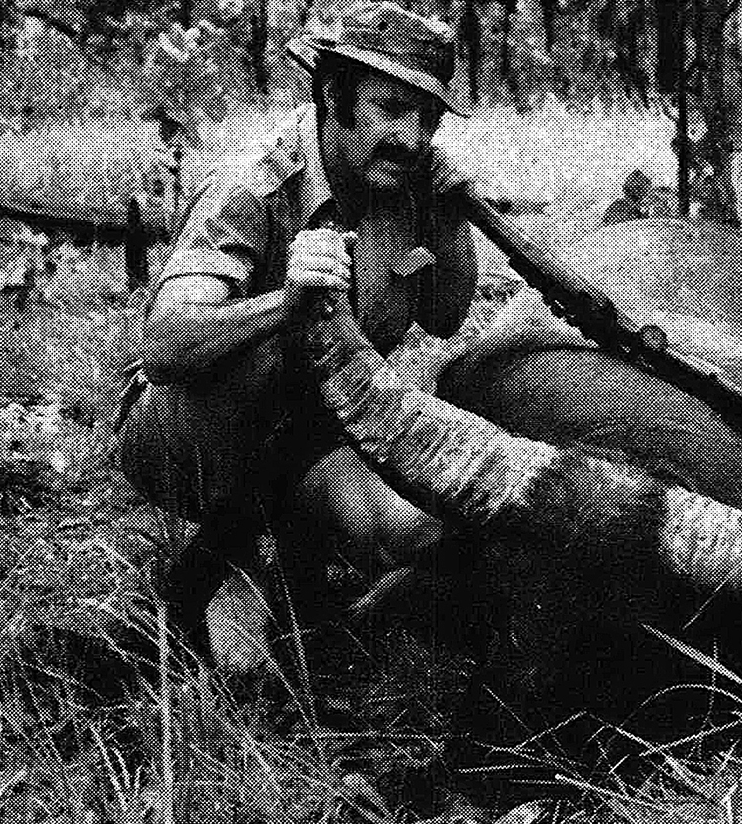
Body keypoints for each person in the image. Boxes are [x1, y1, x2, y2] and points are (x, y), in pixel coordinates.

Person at [117, 0, 479, 663]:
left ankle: (294, 559)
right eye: (389, 109)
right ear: (333, 94)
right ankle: (229, 566)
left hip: (319, 431)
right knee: (274, 361)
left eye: (426, 117)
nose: (413, 136)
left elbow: (445, 318)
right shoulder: (253, 186)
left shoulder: (407, 186)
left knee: (415, 534)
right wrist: (287, 302)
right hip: (190, 435)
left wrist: (451, 225)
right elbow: (164, 345)